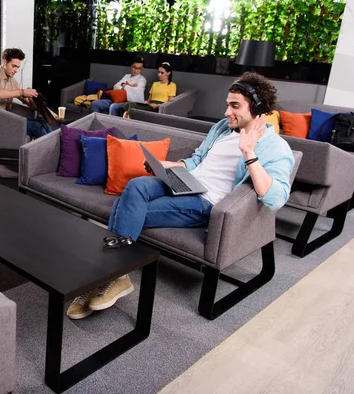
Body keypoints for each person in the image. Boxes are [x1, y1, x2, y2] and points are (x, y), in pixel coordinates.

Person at [66, 72, 295, 320]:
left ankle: (105, 276)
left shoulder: (275, 146)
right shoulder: (222, 128)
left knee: (124, 205)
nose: (227, 112)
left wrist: (248, 150)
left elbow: (275, 198)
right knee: (137, 184)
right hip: (187, 183)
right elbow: (197, 161)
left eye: (235, 106)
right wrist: (165, 166)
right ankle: (115, 275)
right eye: (227, 104)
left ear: (257, 107)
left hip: (205, 202)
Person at [0, 48, 53, 139]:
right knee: (38, 127)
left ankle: (55, 152)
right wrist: (21, 92)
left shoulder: (12, 81)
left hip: (5, 118)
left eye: (18, 67)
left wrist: (34, 98)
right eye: (14, 66)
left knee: (42, 123)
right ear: (4, 62)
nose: (16, 70)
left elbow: (30, 104)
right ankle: (47, 152)